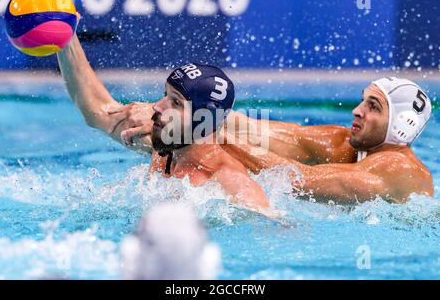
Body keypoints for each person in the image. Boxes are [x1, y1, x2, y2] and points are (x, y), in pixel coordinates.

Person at [116, 77, 434, 204]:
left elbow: (300, 180)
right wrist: (189, 113)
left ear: (402, 125)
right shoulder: (345, 145)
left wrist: (201, 132)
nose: (357, 110)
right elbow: (261, 131)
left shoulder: (399, 169)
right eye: (362, 100)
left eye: (372, 106)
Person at [57, 35, 270, 211]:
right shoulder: (165, 148)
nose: (158, 106)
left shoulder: (231, 183)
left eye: (176, 102)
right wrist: (66, 38)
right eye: (165, 95)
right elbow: (98, 112)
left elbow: (275, 232)